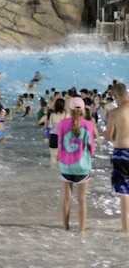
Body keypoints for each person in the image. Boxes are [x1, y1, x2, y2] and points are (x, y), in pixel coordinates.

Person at [57, 96, 96, 232]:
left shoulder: (62, 124)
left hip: (65, 166)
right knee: (82, 200)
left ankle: (66, 228)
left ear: (69, 109)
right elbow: (91, 147)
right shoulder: (88, 125)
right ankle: (82, 230)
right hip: (82, 167)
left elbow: (60, 144)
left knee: (67, 198)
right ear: (83, 110)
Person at [106, 81, 129, 231]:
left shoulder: (115, 112)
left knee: (125, 192)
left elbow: (108, 136)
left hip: (122, 153)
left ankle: (125, 229)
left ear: (115, 96)